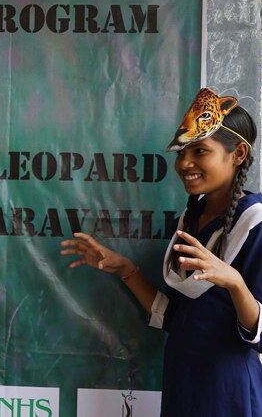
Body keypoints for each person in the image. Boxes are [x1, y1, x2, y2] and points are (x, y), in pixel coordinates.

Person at [60, 88, 262, 416]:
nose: (185, 163)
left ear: (237, 154)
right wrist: (126, 270)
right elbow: (177, 318)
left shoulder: (254, 223)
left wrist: (235, 283)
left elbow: (259, 335)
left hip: (227, 390)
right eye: (182, 152)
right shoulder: (193, 218)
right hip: (182, 381)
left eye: (199, 151)